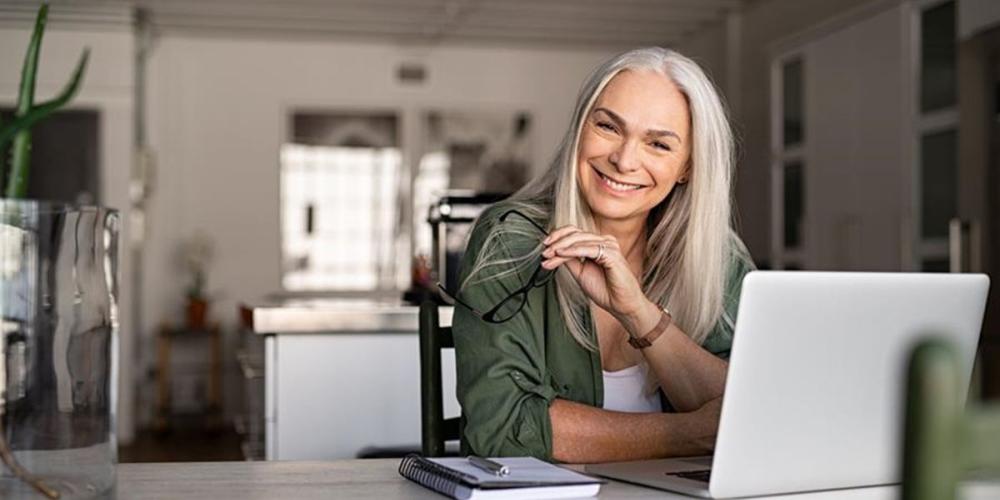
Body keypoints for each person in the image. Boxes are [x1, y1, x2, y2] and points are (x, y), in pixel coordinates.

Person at [444, 47, 755, 464]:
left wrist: (639, 314)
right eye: (608, 126)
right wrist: (688, 434)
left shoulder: (718, 256)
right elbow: (502, 430)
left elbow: (753, 415)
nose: (624, 160)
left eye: (659, 144)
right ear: (580, 129)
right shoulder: (511, 237)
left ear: (688, 167)